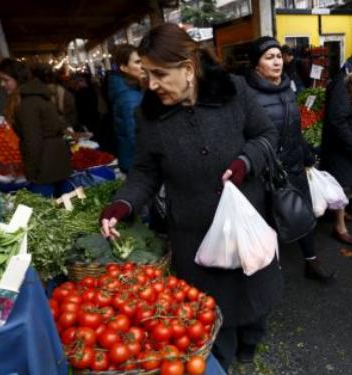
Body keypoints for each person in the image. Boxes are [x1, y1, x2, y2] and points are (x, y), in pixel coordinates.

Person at [98, 24, 283, 370]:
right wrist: (124, 204)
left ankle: (252, 340)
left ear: (188, 68)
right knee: (213, 309)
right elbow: (145, 171)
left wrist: (246, 162)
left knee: (254, 285)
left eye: (159, 74)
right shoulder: (148, 115)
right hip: (194, 232)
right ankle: (222, 357)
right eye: (146, 73)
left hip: (245, 218)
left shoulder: (233, 91)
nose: (150, 84)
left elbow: (266, 135)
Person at [245, 36, 336, 283]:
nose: (276, 62)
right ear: (256, 65)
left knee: (303, 214)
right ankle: (270, 273)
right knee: (270, 220)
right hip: (269, 171)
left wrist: (306, 153)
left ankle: (311, 262)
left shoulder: (287, 87)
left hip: (294, 165)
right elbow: (249, 136)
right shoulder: (248, 96)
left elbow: (293, 127)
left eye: (278, 56)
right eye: (268, 57)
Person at [0, 58, 73, 198]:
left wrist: (31, 172)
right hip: (56, 159)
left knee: (45, 211)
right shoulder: (35, 96)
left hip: (45, 165)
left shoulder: (26, 104)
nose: (2, 84)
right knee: (68, 204)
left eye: (6, 80)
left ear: (18, 78)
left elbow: (33, 140)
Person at [320, 47, 352, 246]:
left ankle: (341, 212)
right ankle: (339, 226)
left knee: (347, 184)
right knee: (341, 186)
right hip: (340, 146)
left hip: (346, 141)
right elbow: (337, 118)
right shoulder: (344, 83)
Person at [108, 44, 144, 174]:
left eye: (143, 60)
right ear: (124, 67)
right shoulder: (130, 97)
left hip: (132, 161)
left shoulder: (130, 91)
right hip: (139, 165)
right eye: (137, 62)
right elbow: (137, 136)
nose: (143, 66)